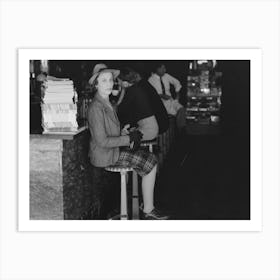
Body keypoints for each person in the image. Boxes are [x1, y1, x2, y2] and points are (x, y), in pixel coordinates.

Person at [87, 64, 169, 220]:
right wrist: (129, 138)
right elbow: (102, 141)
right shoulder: (96, 107)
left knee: (149, 159)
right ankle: (148, 208)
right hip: (106, 155)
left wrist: (124, 132)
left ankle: (146, 205)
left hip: (111, 152)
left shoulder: (106, 103)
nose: (109, 84)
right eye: (103, 81)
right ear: (96, 85)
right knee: (151, 161)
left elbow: (109, 132)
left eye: (111, 80)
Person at [117, 67, 169, 136]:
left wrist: (123, 90)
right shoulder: (137, 88)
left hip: (150, 129)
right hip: (153, 126)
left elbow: (120, 109)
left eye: (118, 81)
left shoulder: (132, 91)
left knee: (120, 137)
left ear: (124, 82)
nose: (118, 84)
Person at [148, 63, 186, 130]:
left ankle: (181, 130)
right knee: (171, 116)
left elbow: (176, 82)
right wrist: (161, 95)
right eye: (163, 68)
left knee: (181, 109)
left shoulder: (166, 76)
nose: (165, 70)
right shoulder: (151, 80)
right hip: (160, 103)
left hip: (170, 101)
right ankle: (176, 132)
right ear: (157, 69)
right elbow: (150, 94)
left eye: (165, 68)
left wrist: (177, 94)